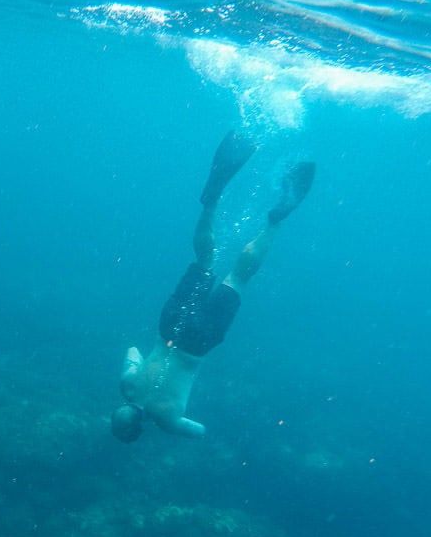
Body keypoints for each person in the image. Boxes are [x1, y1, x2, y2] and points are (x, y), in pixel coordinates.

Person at [111, 131, 316, 441]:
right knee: (205, 260)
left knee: (237, 277)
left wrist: (166, 421)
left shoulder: (168, 419)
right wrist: (132, 373)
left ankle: (275, 221)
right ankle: (211, 202)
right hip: (170, 328)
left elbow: (200, 431)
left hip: (198, 345)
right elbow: (131, 350)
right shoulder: (128, 385)